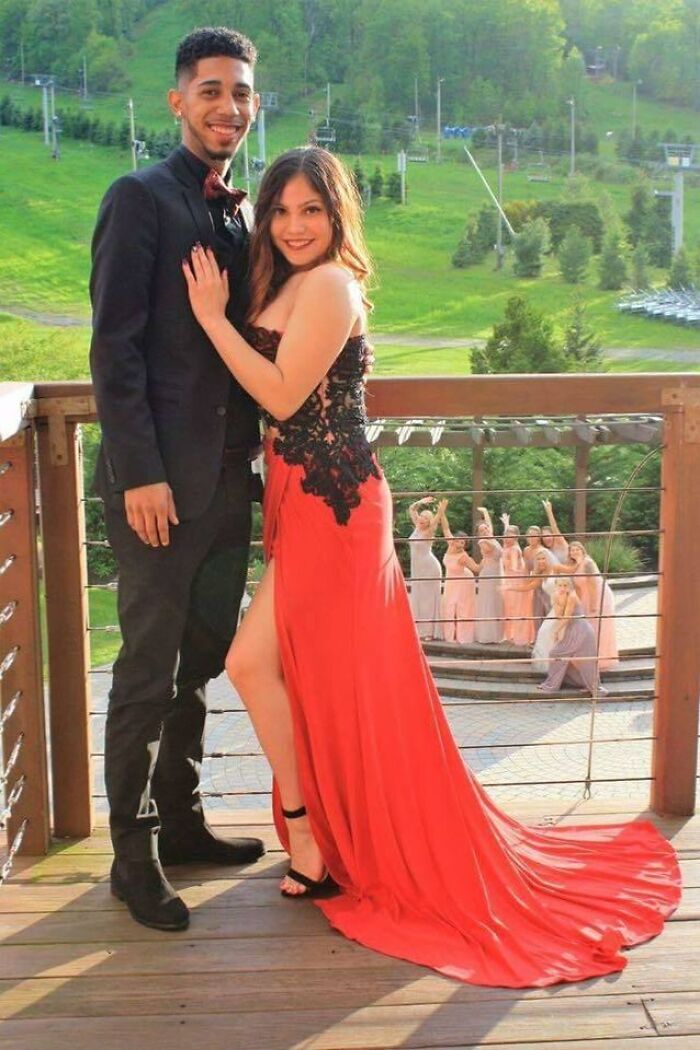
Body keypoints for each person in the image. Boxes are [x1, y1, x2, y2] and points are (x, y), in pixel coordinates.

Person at [182, 145, 680, 988]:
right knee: (281, 668)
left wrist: (213, 320)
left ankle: (309, 834)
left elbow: (282, 394)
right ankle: (315, 833)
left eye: (312, 210)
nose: (296, 226)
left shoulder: (331, 285)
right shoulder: (285, 280)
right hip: (303, 499)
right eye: (282, 211)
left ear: (337, 216)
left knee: (263, 664)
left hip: (338, 505)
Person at [89, 27, 267, 933]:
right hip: (156, 491)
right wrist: (140, 475)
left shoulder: (241, 212)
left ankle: (185, 822)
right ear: (177, 101)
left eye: (240, 92)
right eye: (210, 91)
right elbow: (114, 350)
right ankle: (133, 856)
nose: (227, 107)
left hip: (230, 488)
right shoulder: (139, 197)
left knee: (198, 665)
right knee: (146, 675)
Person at [537, 578, 605, 696]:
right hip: (571, 629)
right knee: (556, 653)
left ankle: (593, 687)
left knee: (587, 661)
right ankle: (554, 683)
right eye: (560, 585)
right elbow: (559, 616)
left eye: (565, 585)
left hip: (582, 630)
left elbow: (567, 617)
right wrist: (556, 601)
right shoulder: (556, 595)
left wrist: (555, 631)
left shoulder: (572, 596)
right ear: (556, 586)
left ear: (569, 586)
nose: (563, 588)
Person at [567, 540, 619, 670]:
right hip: (586, 597)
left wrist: (594, 605)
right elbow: (578, 588)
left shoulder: (588, 563)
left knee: (597, 628)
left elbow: (593, 585)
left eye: (577, 549)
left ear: (582, 550)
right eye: (572, 550)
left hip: (598, 597)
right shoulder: (575, 565)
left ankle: (600, 659)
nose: (574, 552)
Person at [438, 502, 477, 644]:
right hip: (450, 581)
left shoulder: (463, 556)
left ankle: (463, 637)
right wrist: (442, 512)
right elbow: (446, 528)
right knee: (448, 607)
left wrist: (489, 559)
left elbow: (476, 568)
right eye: (459, 540)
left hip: (463, 581)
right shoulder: (450, 543)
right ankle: (450, 637)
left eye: (463, 543)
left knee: (462, 608)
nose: (460, 543)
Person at [406, 496, 445, 640]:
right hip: (418, 569)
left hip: (429, 568)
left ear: (429, 522)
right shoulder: (417, 526)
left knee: (428, 600)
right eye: (421, 516)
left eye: (426, 518)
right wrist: (420, 502)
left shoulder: (428, 532)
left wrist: (440, 513)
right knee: (419, 598)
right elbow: (412, 509)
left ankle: (429, 632)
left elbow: (434, 524)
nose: (422, 519)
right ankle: (418, 630)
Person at [500, 514, 535, 646]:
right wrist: (506, 523)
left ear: (515, 537)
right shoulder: (507, 546)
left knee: (516, 608)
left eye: (511, 535)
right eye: (506, 534)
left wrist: (512, 566)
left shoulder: (514, 549)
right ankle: (510, 635)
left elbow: (514, 567)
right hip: (509, 579)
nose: (507, 537)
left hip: (516, 580)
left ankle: (518, 636)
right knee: (509, 607)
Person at [473, 507, 504, 644]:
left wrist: (485, 512)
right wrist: (489, 535)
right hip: (488, 573)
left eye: (486, 528)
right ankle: (487, 635)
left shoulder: (491, 538)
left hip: (497, 573)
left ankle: (497, 634)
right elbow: (491, 550)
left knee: (496, 601)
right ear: (478, 534)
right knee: (489, 602)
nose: (485, 530)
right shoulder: (483, 542)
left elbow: (490, 525)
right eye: (482, 530)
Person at [541, 498, 572, 564]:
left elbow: (554, 527)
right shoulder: (547, 550)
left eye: (548, 536)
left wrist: (549, 511)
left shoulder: (559, 542)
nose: (546, 538)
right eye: (544, 537)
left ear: (553, 535)